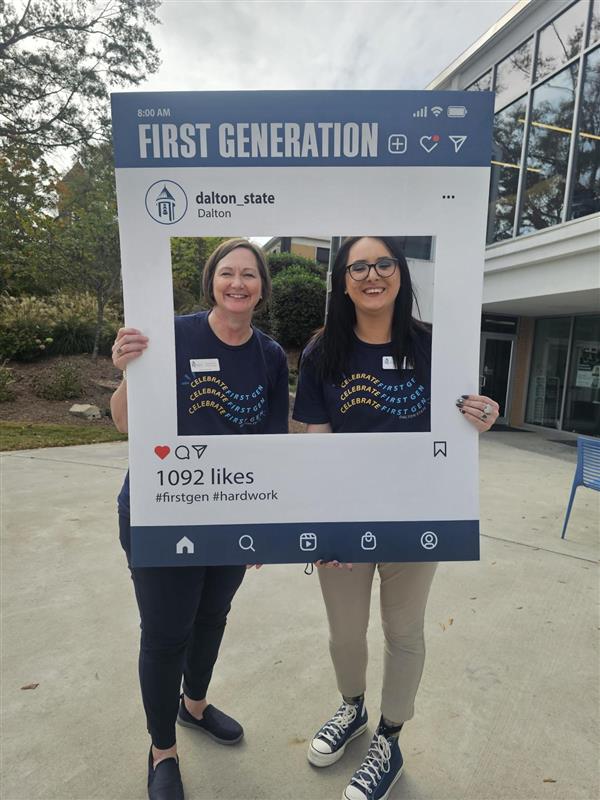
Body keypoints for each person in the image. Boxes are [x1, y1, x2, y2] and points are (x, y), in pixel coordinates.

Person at [292, 236, 499, 800]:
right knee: (344, 633)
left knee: (403, 631)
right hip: (345, 517)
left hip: (418, 516)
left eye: (383, 262)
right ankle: (352, 708)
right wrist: (321, 524)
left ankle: (390, 736)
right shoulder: (320, 352)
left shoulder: (435, 346)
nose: (372, 274)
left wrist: (483, 415)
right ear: (343, 281)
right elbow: (315, 438)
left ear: (401, 274)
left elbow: (461, 421)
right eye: (357, 266)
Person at [111, 238, 288, 800]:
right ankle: (162, 749)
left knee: (212, 616)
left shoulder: (271, 356)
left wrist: (265, 524)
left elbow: (272, 444)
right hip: (160, 512)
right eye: (227, 273)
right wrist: (125, 372)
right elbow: (122, 424)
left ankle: (195, 705)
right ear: (212, 280)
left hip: (232, 514)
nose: (238, 284)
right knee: (166, 634)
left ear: (261, 286)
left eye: (249, 275)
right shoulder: (169, 336)